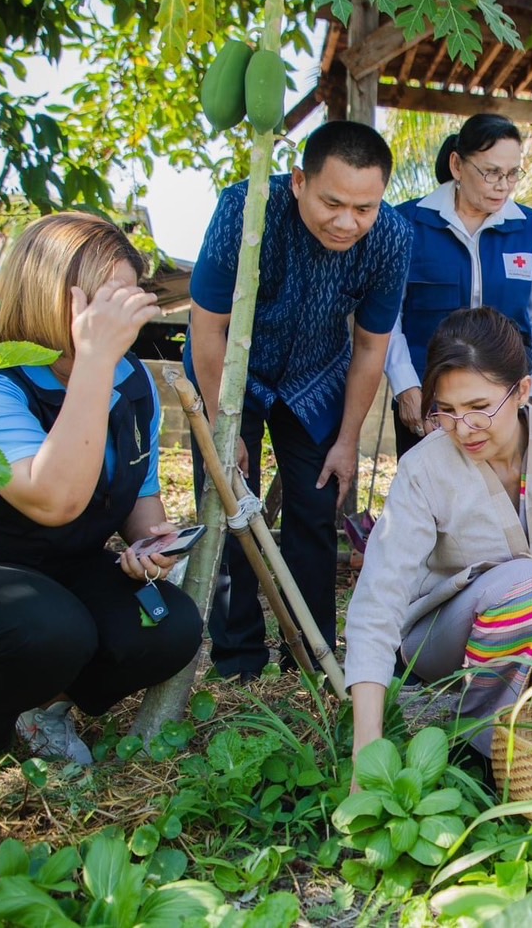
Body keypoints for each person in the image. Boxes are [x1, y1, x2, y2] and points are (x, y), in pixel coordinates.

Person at [0, 214, 203, 796]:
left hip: (60, 572)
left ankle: (44, 708)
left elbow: (142, 496)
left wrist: (153, 544)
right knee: (51, 627)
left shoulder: (132, 385)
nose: (123, 311)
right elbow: (54, 500)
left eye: (129, 294)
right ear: (49, 293)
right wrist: (94, 362)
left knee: (169, 625)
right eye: (106, 297)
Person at [345, 308, 532, 761]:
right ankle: (484, 749)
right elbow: (379, 598)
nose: (463, 429)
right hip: (443, 638)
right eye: (447, 411)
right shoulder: (425, 468)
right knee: (529, 583)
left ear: (522, 390)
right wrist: (367, 744)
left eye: (480, 408)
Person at [185, 121, 411, 681]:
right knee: (230, 508)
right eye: (333, 202)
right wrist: (222, 425)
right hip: (230, 374)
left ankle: (312, 660)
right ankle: (237, 663)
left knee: (315, 512)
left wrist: (349, 439)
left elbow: (370, 344)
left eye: (364, 208)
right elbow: (207, 329)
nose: (347, 222)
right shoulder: (244, 209)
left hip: (317, 378)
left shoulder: (393, 237)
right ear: (298, 183)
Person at [386, 113, 532, 457]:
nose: (503, 185)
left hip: (505, 403)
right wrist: (405, 386)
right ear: (457, 165)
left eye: (512, 173)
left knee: (505, 503)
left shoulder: (528, 230)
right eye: (491, 172)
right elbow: (388, 319)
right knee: (434, 501)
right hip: (431, 404)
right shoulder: (408, 224)